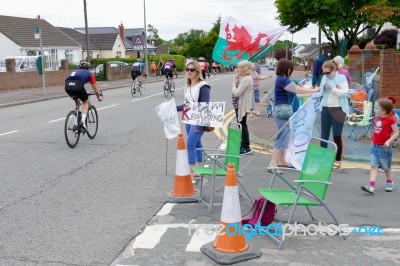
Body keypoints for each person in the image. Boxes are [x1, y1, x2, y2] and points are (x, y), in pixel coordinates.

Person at [268, 59, 319, 172]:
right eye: (291, 68)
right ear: (286, 68)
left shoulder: (283, 80)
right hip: (283, 113)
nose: (292, 70)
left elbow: (297, 94)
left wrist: (314, 93)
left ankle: (282, 161)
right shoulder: (283, 80)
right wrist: (315, 90)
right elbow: (298, 90)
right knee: (282, 137)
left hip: (285, 112)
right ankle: (273, 163)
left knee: (285, 137)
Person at [176, 60, 211, 176]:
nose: (189, 72)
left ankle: (191, 170)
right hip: (188, 119)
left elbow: (204, 105)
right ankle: (199, 167)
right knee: (197, 144)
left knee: (190, 144)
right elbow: (187, 105)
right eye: (187, 70)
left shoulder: (203, 86)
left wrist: (199, 122)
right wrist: (174, 108)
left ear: (197, 71)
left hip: (198, 120)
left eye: (192, 70)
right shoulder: (188, 86)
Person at [361, 98, 399, 194]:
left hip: (385, 148)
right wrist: (373, 140)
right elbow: (376, 131)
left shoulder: (390, 120)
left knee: (386, 167)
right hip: (374, 147)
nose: (374, 110)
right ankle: (371, 186)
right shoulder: (376, 118)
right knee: (374, 166)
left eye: (376, 108)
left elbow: (396, 132)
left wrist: (389, 141)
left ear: (384, 111)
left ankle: (389, 182)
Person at [319, 60, 349, 169]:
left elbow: (345, 94)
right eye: (324, 73)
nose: (326, 75)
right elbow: (320, 92)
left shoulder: (341, 78)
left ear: (334, 70)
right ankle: (323, 158)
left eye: (328, 72)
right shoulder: (324, 78)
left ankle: (338, 159)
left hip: (338, 109)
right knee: (324, 135)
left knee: (337, 136)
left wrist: (332, 88)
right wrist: (320, 89)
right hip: (326, 108)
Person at [65, 60, 103, 131]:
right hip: (78, 85)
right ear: (88, 67)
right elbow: (95, 88)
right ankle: (83, 122)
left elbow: (69, 81)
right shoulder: (89, 73)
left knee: (77, 102)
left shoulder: (75, 72)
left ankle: (75, 123)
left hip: (68, 86)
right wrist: (99, 96)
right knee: (86, 102)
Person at [231, 60, 254, 155]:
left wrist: (233, 84)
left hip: (242, 105)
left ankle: (246, 146)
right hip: (239, 104)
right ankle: (242, 143)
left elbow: (237, 93)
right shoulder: (244, 77)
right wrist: (236, 77)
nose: (237, 69)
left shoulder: (246, 79)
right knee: (240, 124)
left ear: (244, 69)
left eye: (239, 67)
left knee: (242, 125)